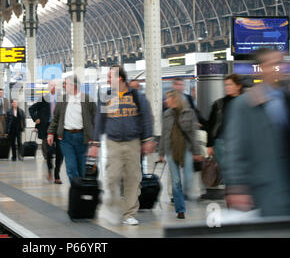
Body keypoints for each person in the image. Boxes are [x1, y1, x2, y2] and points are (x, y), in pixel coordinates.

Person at [223, 48, 290, 217]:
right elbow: (235, 147)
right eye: (274, 64)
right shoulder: (245, 104)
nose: (280, 68)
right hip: (264, 186)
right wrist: (237, 186)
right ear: (262, 67)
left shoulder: (285, 98)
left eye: (281, 63)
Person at [89, 65, 155, 226]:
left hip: (133, 143)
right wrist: (95, 144)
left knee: (133, 179)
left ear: (119, 78)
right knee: (112, 177)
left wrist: (148, 139)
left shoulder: (137, 97)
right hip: (113, 142)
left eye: (109, 77)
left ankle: (129, 214)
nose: (107, 80)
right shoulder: (106, 97)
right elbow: (99, 121)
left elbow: (146, 118)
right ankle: (112, 204)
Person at [159, 90, 204, 219]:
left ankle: (184, 196)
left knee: (188, 178)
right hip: (171, 150)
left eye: (168, 98)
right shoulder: (166, 114)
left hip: (186, 149)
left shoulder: (189, 113)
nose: (165, 101)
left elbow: (193, 134)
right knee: (176, 181)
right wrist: (161, 153)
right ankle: (180, 209)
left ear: (175, 99)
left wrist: (197, 151)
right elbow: (164, 135)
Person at [47, 75, 97, 183]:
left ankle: (80, 190)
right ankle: (76, 190)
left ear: (74, 85)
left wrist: (95, 138)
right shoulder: (63, 99)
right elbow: (56, 118)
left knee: (81, 168)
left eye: (66, 84)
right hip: (66, 138)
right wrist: (50, 133)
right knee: (71, 167)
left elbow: (96, 117)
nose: (64, 86)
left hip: (82, 137)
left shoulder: (87, 99)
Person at [206, 74, 244, 174]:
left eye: (230, 84)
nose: (227, 87)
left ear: (238, 86)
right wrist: (209, 145)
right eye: (226, 85)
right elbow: (210, 124)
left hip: (241, 142)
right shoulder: (219, 104)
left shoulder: (247, 103)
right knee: (227, 173)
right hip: (221, 143)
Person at [29, 81, 64, 184]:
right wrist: (36, 119)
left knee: (60, 153)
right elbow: (31, 109)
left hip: (59, 127)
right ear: (49, 88)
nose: (53, 88)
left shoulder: (62, 99)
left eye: (54, 86)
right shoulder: (44, 99)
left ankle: (57, 175)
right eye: (51, 86)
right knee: (49, 151)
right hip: (47, 127)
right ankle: (50, 171)